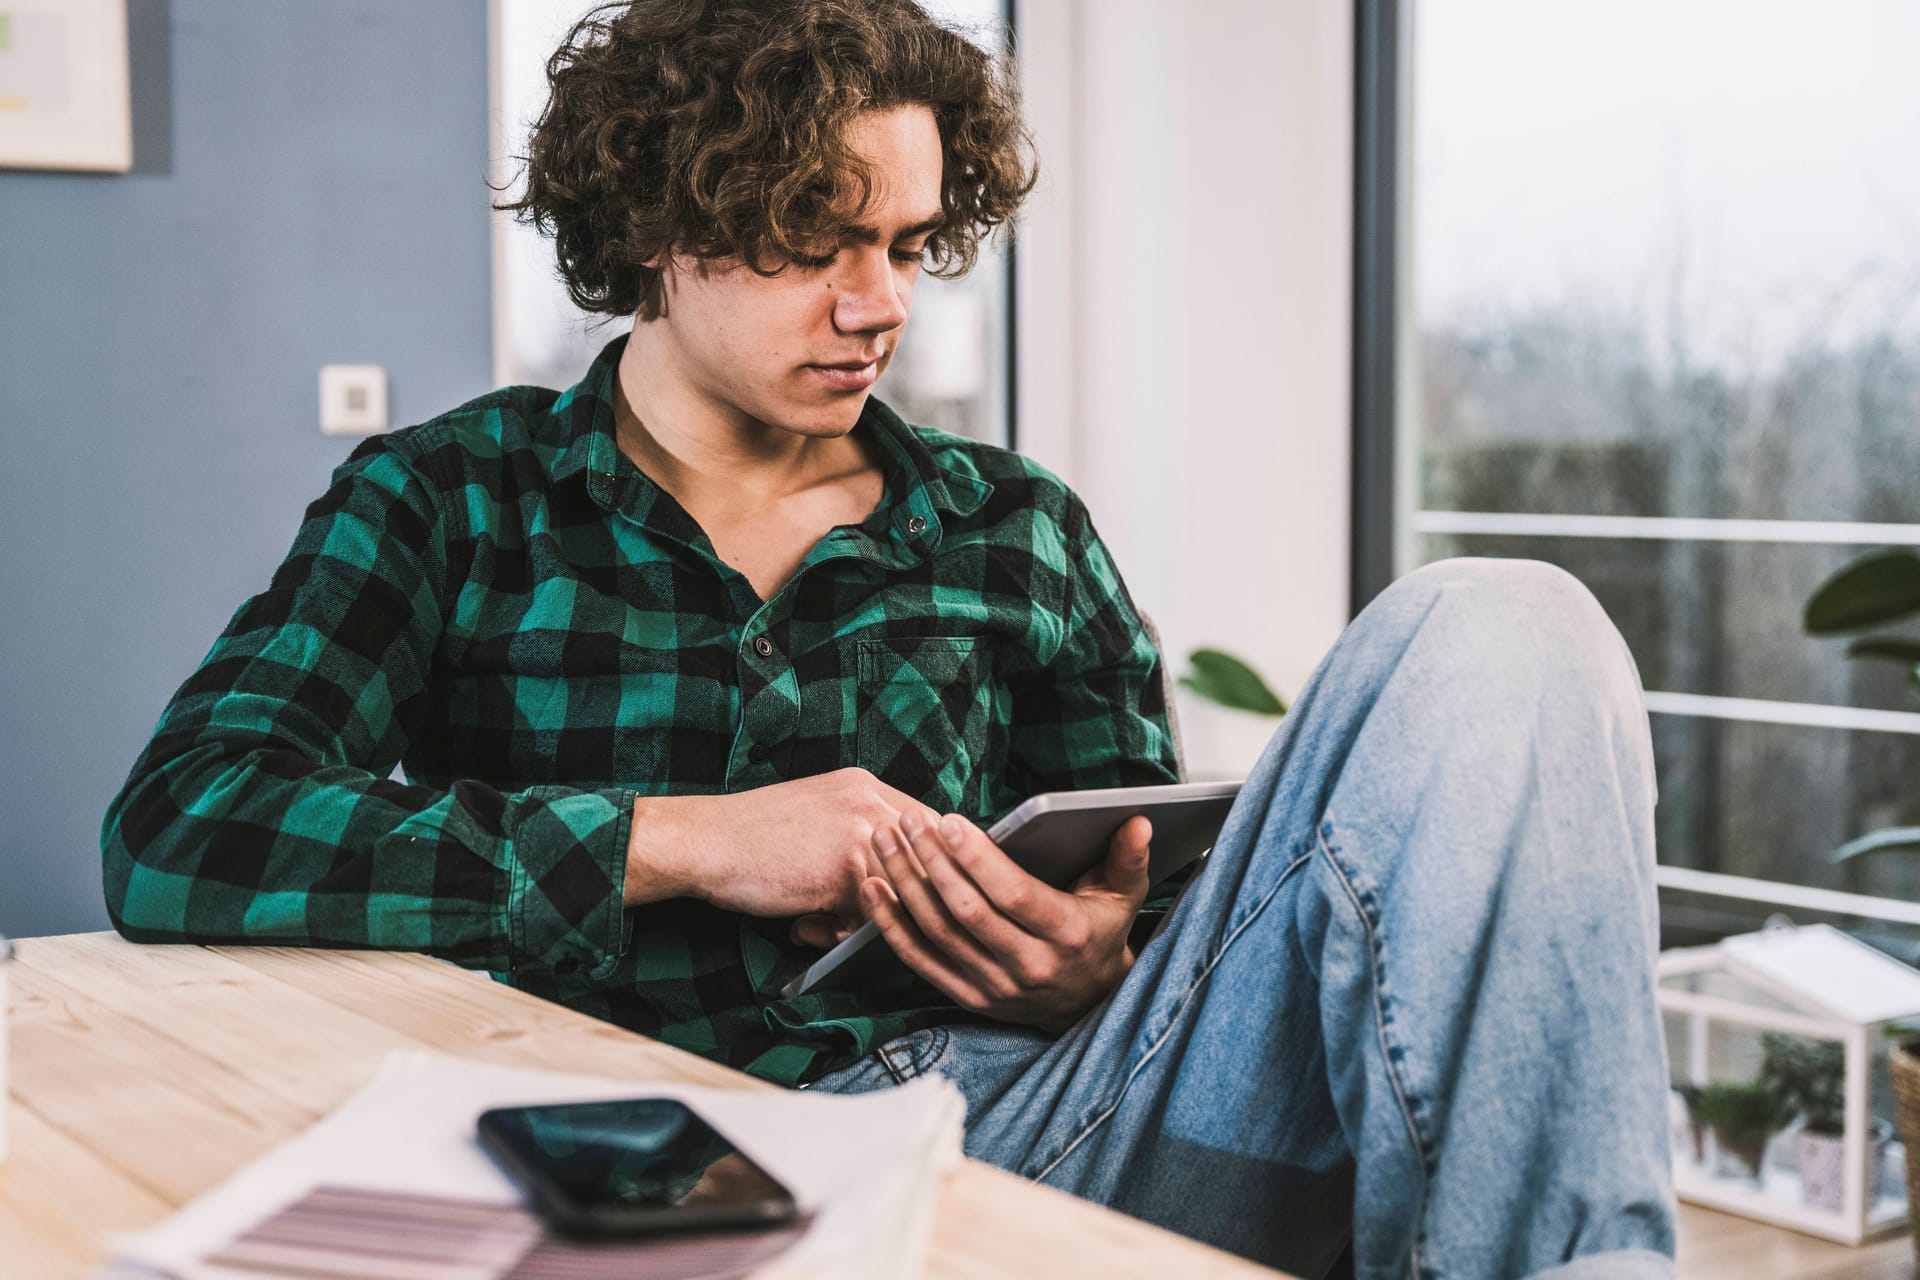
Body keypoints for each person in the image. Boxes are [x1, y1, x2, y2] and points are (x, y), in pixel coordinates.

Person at [101, 2, 1676, 1275]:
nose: (880, 305)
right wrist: (692, 843)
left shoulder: (1019, 529)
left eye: (908, 244)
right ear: (658, 222)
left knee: (1504, 619)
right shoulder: (452, 497)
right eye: (815, 238)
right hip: (625, 1163)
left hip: (1019, 1127)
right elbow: (179, 828)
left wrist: (1086, 966)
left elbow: (1146, 915)